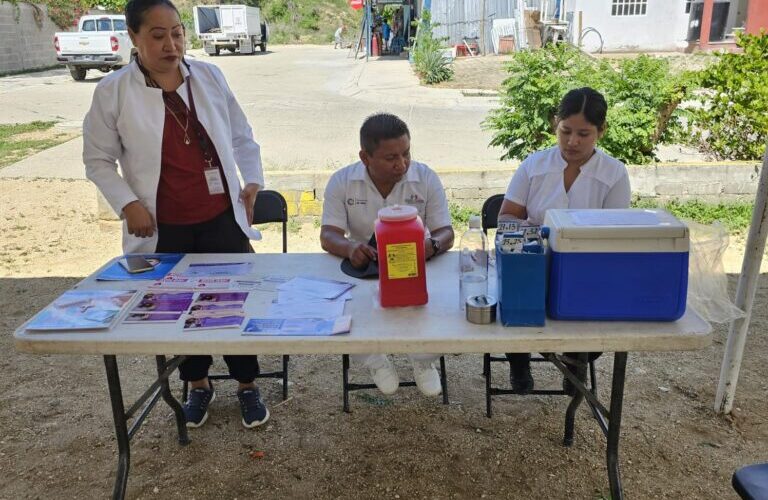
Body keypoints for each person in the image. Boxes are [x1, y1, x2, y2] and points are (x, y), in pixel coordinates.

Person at [83, 0, 269, 430]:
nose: (172, 44)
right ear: (133, 38)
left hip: (220, 216)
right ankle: (197, 383)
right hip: (163, 225)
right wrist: (128, 203)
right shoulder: (113, 91)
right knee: (180, 311)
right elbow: (97, 160)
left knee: (231, 301)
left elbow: (241, 135)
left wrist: (253, 180)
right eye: (158, 35)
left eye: (178, 33)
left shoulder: (208, 75)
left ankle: (246, 385)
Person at [498, 87, 631, 395]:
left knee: (594, 316)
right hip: (529, 261)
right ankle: (519, 361)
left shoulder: (613, 174)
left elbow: (613, 235)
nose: (572, 142)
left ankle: (575, 361)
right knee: (514, 302)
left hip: (585, 269)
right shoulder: (534, 165)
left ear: (601, 131)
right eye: (565, 131)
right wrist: (534, 235)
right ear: (555, 124)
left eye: (584, 134)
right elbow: (506, 218)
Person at [320, 113, 454, 397]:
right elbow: (328, 235)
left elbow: (446, 232)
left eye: (406, 153)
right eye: (391, 158)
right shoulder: (343, 181)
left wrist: (432, 246)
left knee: (443, 310)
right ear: (365, 157)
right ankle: (374, 359)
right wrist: (349, 248)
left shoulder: (425, 177)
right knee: (344, 316)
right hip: (363, 267)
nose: (402, 164)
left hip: (415, 263)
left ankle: (424, 361)